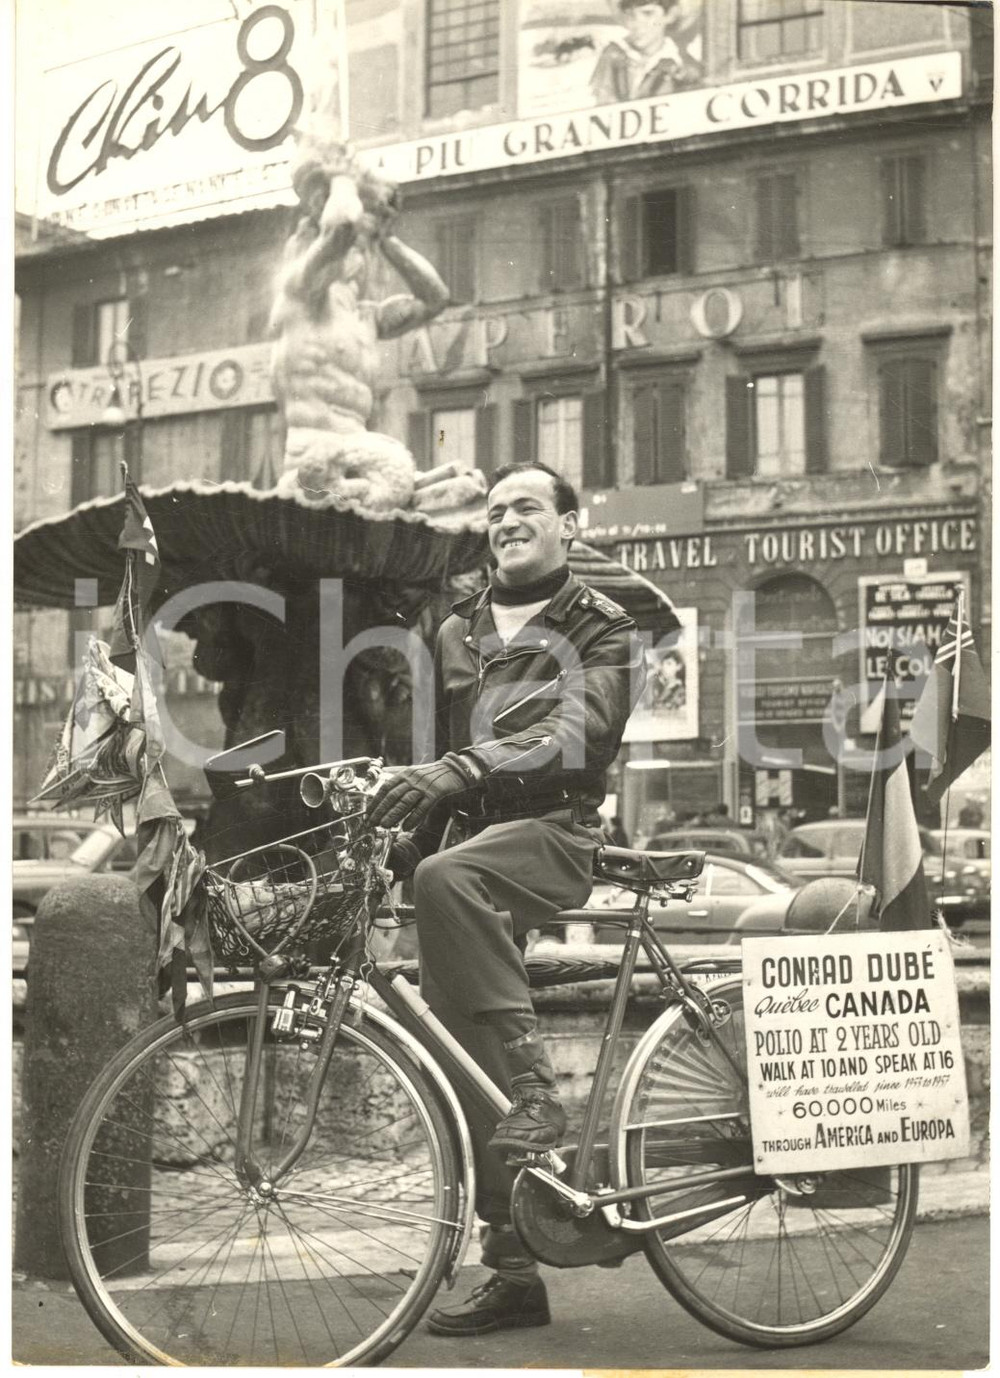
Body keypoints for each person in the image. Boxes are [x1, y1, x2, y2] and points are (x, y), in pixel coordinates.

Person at [367, 460, 645, 1336]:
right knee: (460, 1053)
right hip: (469, 848)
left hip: (556, 832)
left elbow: (576, 734)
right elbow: (435, 770)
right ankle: (516, 1268)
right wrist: (391, 844)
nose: (507, 520)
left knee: (447, 880)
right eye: (495, 512)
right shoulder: (455, 630)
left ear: (571, 520)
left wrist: (462, 769)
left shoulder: (601, 627)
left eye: (527, 506)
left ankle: (539, 1089)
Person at [270, 158, 450, 509]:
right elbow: (341, 227)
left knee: (458, 489)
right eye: (356, 249)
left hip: (361, 460)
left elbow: (435, 298)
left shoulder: (367, 317)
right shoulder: (302, 291)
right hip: (313, 461)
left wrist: (387, 239)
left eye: (364, 251)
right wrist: (341, 174)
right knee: (399, 472)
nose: (360, 256)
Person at [590, 0, 703, 106]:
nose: (636, 24)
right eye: (630, 14)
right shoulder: (611, 56)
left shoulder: (685, 68)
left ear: (670, 15)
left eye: (648, 13)